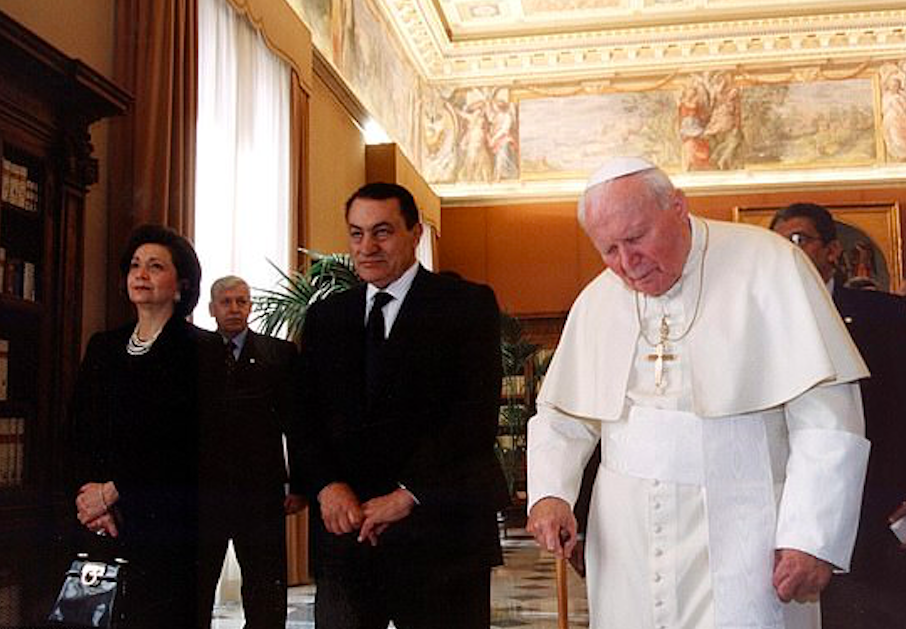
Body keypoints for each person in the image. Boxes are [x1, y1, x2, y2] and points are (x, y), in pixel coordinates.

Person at [526, 157, 870, 629]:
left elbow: (828, 416)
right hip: (628, 537)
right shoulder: (599, 298)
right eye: (608, 249)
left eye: (636, 238)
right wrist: (550, 493)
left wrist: (811, 535)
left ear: (678, 207)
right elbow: (563, 415)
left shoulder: (770, 264)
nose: (627, 264)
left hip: (749, 525)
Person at [297, 182, 509, 629]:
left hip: (441, 535)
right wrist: (328, 486)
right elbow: (305, 417)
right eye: (356, 234)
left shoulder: (467, 305)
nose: (367, 247)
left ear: (415, 233)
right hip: (347, 536)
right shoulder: (326, 318)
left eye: (382, 232)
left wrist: (408, 494)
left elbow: (473, 418)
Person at [71, 224, 221, 629]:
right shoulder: (103, 346)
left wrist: (116, 489)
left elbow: (190, 442)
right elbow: (81, 428)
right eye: (135, 265)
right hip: (105, 520)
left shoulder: (202, 350)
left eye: (155, 266)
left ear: (181, 284)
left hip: (170, 524)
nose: (141, 274)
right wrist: (94, 499)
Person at [771, 202, 906, 628]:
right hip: (784, 524)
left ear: (832, 251)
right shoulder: (761, 323)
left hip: (875, 515)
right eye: (776, 243)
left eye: (798, 240)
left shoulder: (887, 317)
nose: (786, 252)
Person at [196, 275, 303, 629]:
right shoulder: (191, 354)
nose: (235, 309)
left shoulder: (279, 354)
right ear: (211, 309)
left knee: (264, 588)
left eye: (242, 301)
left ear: (251, 307)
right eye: (226, 302)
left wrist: (298, 484)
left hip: (261, 491)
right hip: (203, 493)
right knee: (196, 586)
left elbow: (297, 425)